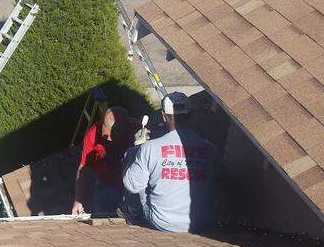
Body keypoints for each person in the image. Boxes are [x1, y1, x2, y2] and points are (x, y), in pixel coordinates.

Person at [123, 92, 216, 232]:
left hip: (163, 221)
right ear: (190, 115)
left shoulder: (150, 147)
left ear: (164, 116)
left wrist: (138, 148)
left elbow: (132, 186)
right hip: (200, 221)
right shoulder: (210, 148)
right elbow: (217, 179)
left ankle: (135, 214)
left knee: (131, 153)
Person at [71, 106, 133, 217]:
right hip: (107, 184)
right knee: (103, 220)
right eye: (105, 136)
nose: (108, 140)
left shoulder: (138, 130)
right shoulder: (93, 134)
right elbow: (84, 167)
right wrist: (78, 200)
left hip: (133, 186)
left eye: (112, 135)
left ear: (124, 127)